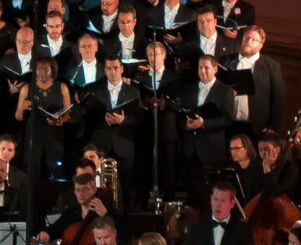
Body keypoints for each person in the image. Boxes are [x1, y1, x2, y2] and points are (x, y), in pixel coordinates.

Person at [84, 56, 140, 212]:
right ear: (105, 70)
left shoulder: (133, 92)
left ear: (121, 69)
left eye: (116, 68)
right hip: (102, 147)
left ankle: (123, 229)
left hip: (125, 146)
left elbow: (140, 119)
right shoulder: (96, 91)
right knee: (100, 190)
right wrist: (105, 121)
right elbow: (88, 118)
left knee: (126, 191)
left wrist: (123, 120)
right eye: (109, 68)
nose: (113, 72)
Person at [179, 55, 235, 207]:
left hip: (212, 150)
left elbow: (227, 119)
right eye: (200, 68)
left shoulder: (225, 91)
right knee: (192, 194)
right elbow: (181, 115)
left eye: (206, 68)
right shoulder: (188, 89)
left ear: (215, 69)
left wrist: (204, 124)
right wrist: (187, 125)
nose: (202, 71)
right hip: (191, 149)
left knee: (211, 195)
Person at [132, 41, 180, 202]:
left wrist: (164, 103)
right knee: (144, 164)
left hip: (167, 126)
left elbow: (179, 102)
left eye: (157, 54)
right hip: (145, 126)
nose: (153, 57)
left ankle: (169, 200)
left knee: (169, 165)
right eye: (150, 54)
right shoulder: (139, 77)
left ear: (164, 55)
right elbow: (134, 102)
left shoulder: (174, 77)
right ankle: (142, 200)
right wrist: (143, 104)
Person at [223, 26, 286, 140]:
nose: (249, 41)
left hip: (255, 128)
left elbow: (279, 98)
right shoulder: (226, 60)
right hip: (227, 125)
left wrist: (272, 127)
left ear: (261, 45)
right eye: (246, 38)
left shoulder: (271, 66)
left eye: (253, 39)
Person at [15, 57, 71, 181]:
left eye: (46, 68)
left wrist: (60, 120)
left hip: (54, 132)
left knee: (55, 166)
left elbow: (68, 113)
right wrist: (22, 109)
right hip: (34, 132)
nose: (43, 72)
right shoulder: (26, 88)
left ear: (53, 70)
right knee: (32, 166)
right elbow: (18, 117)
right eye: (39, 68)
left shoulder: (62, 87)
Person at [228, 133, 264, 204]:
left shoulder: (259, 168)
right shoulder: (232, 168)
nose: (233, 152)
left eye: (237, 148)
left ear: (247, 148)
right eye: (231, 149)